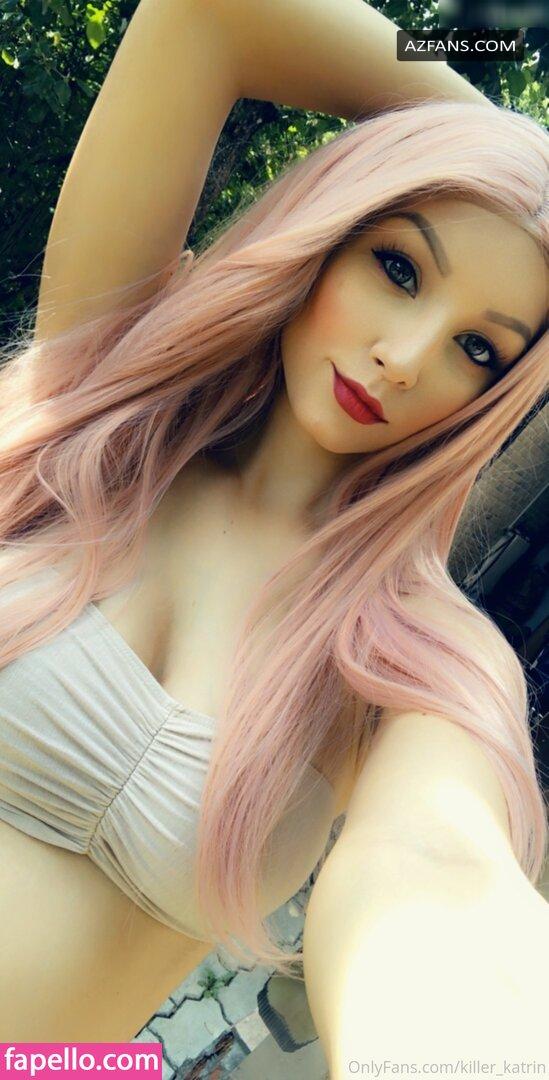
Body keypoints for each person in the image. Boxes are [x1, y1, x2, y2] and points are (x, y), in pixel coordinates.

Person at [0, 0, 547, 1061]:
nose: (404, 358)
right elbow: (213, 14)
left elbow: (440, 871)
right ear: (331, 231)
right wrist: (503, 139)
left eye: (479, 350)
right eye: (399, 268)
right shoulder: (103, 396)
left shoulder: (408, 653)